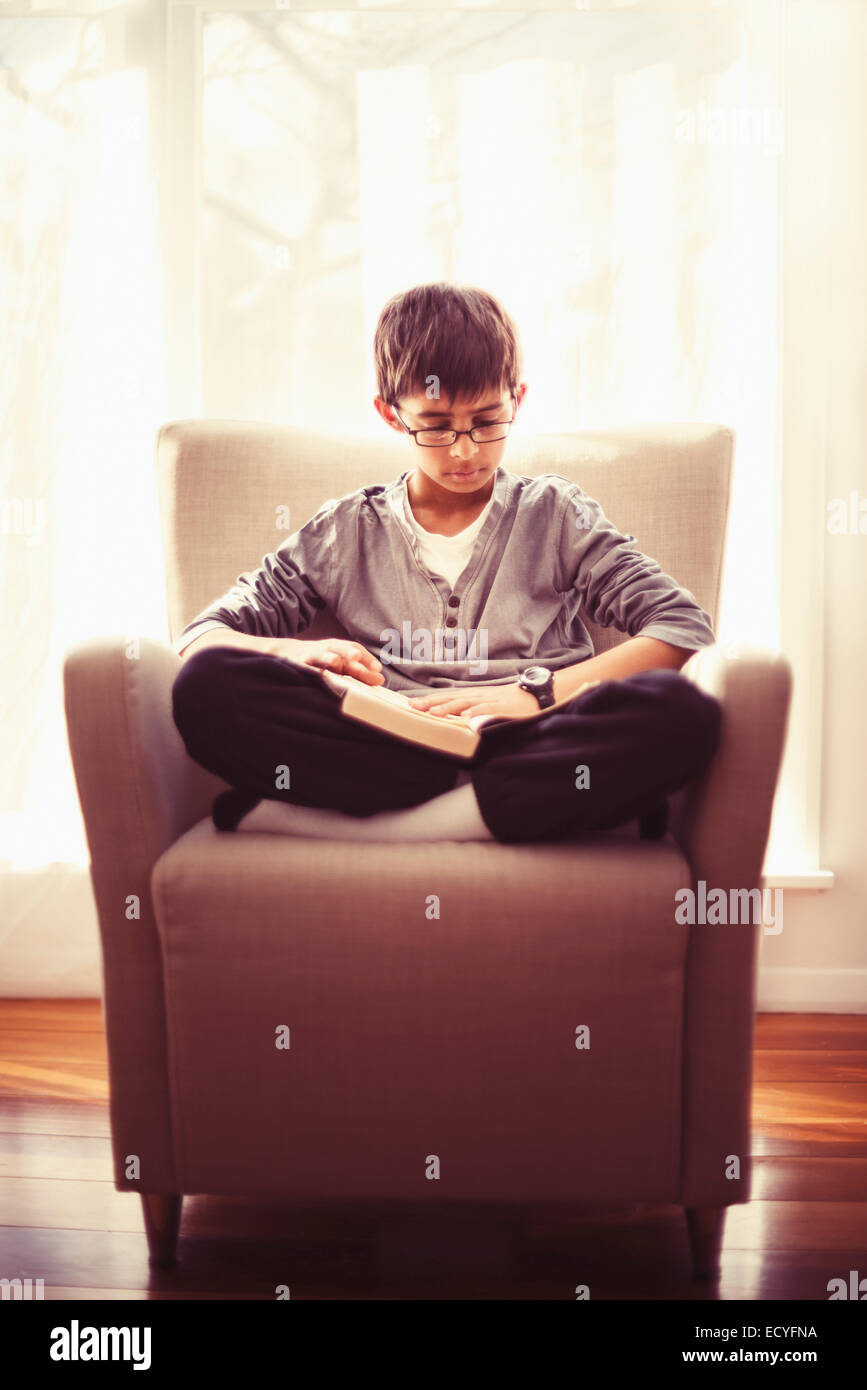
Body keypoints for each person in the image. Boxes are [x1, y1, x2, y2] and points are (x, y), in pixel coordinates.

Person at [171, 282, 722, 845]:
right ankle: (486, 809)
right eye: (435, 425)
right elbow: (202, 636)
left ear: (518, 399)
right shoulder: (345, 531)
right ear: (390, 414)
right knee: (205, 690)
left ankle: (396, 830)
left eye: (487, 422)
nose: (465, 451)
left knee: (681, 714)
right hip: (389, 747)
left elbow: (682, 628)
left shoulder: (555, 514)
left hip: (534, 734)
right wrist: (297, 651)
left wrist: (535, 695)